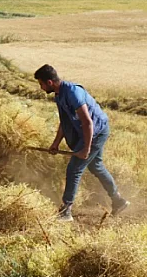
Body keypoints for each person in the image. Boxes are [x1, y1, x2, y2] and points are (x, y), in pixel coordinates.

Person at [33, 64, 129, 222]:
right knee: (96, 166)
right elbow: (64, 122)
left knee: (74, 169)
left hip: (97, 131)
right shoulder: (59, 95)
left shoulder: (73, 92)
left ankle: (66, 211)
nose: (41, 88)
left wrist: (86, 148)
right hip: (89, 131)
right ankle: (118, 200)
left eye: (41, 84)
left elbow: (88, 122)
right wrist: (55, 143)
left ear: (49, 82)